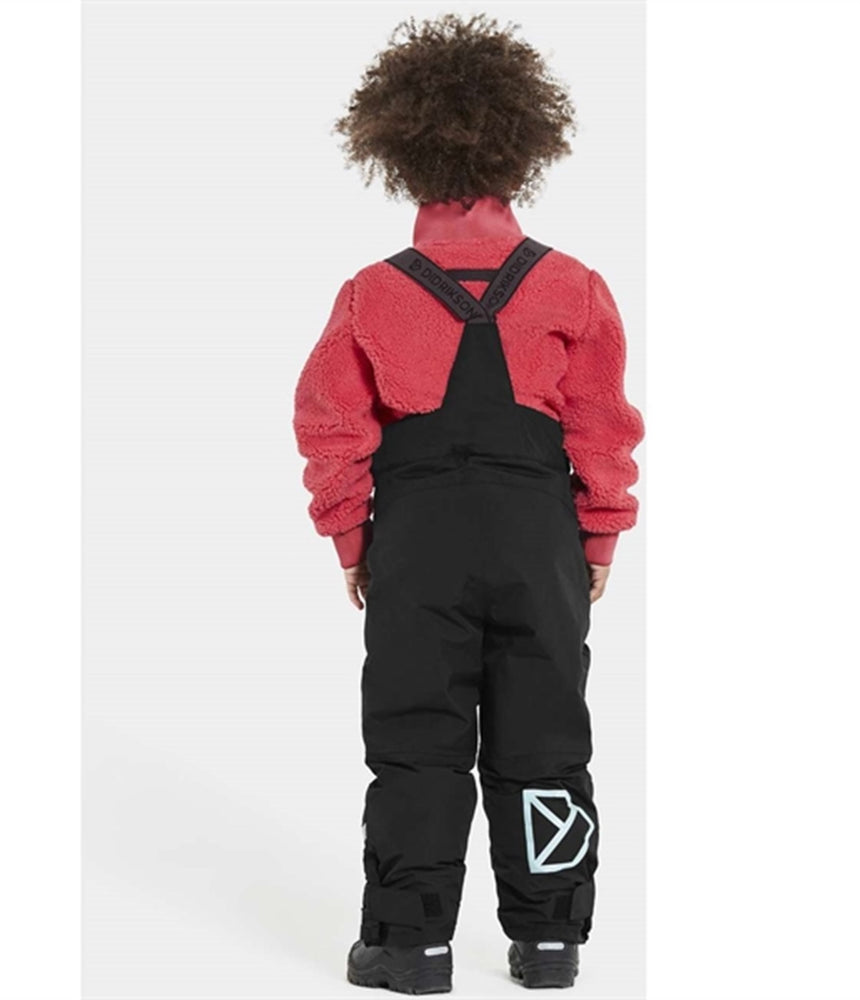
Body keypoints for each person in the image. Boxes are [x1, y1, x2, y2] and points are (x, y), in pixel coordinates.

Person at [292, 13, 644, 994]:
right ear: (521, 150)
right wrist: (600, 535)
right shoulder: (573, 287)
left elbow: (330, 426)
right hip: (540, 544)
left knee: (416, 738)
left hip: (418, 546)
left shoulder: (371, 295)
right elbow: (602, 425)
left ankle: (410, 945)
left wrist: (352, 539)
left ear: (400, 154)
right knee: (547, 734)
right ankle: (550, 941)